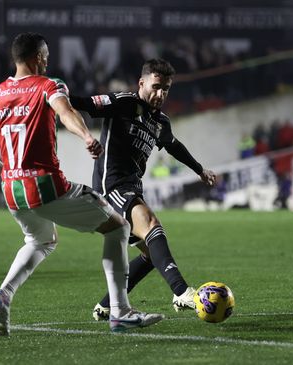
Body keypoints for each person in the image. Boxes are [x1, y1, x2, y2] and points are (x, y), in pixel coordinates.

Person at [0, 32, 163, 336]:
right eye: (45, 55)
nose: (48, 61)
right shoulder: (49, 85)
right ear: (37, 57)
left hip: (12, 190)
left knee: (40, 241)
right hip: (46, 185)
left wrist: (2, 170)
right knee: (119, 227)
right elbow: (65, 111)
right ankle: (120, 311)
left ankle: (3, 294)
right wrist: (86, 136)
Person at [70, 58, 218, 321]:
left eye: (166, 89)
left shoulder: (160, 121)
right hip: (111, 186)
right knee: (151, 224)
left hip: (132, 187)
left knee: (152, 255)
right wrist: (52, 93)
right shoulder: (124, 101)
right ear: (142, 83)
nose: (161, 94)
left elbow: (173, 145)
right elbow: (84, 103)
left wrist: (199, 170)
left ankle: (106, 306)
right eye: (156, 86)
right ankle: (182, 292)